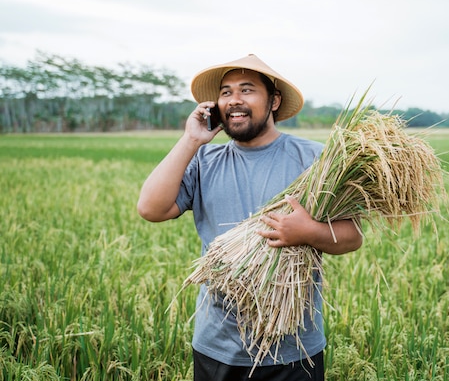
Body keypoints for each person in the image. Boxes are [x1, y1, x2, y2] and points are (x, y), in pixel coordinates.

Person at [137, 54, 362, 381]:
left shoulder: (315, 160)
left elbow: (353, 236)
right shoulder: (204, 159)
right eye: (225, 93)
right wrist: (191, 140)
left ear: (274, 101)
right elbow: (151, 209)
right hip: (216, 346)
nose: (234, 100)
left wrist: (308, 232)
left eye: (247, 90)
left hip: (294, 349)